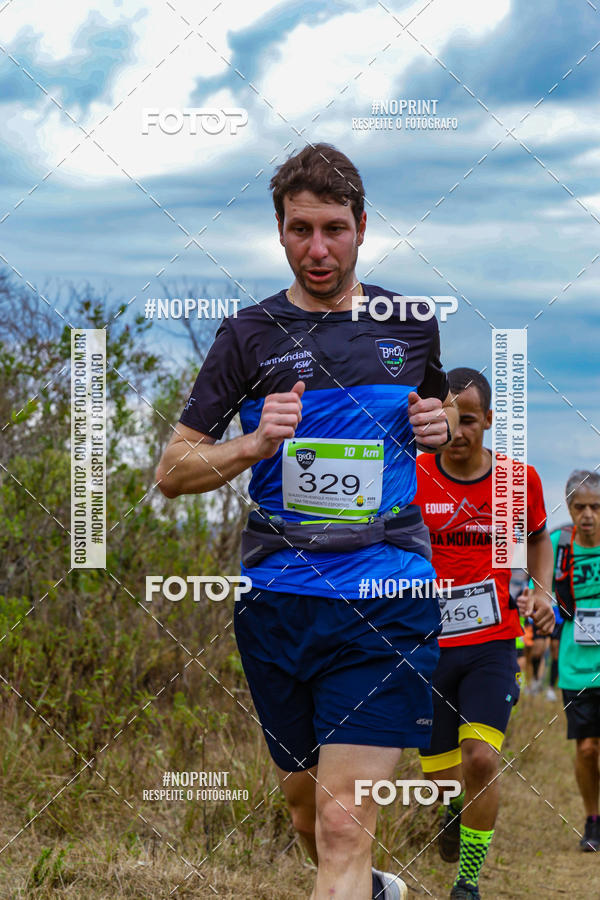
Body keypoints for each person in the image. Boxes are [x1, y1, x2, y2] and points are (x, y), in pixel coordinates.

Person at [156, 143, 458, 900]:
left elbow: (437, 412)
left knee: (342, 825)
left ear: (362, 227)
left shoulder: (412, 326)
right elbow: (172, 472)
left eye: (333, 229)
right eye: (299, 230)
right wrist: (255, 442)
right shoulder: (248, 336)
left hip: (387, 599)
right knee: (305, 810)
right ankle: (372, 888)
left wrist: (442, 427)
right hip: (280, 604)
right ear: (280, 232)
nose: (317, 249)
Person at [414, 368, 554, 900]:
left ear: (489, 421)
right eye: (447, 418)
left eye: (468, 419)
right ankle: (452, 809)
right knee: (442, 777)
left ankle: (467, 881)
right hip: (424, 644)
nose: (457, 430)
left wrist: (542, 592)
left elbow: (538, 540)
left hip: (493, 641)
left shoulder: (521, 480)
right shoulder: (415, 472)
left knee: (482, 759)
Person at [548, 470, 600, 852]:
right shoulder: (556, 544)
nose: (588, 515)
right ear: (568, 506)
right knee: (586, 748)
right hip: (576, 664)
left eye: (596, 507)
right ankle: (592, 819)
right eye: (580, 506)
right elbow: (537, 593)